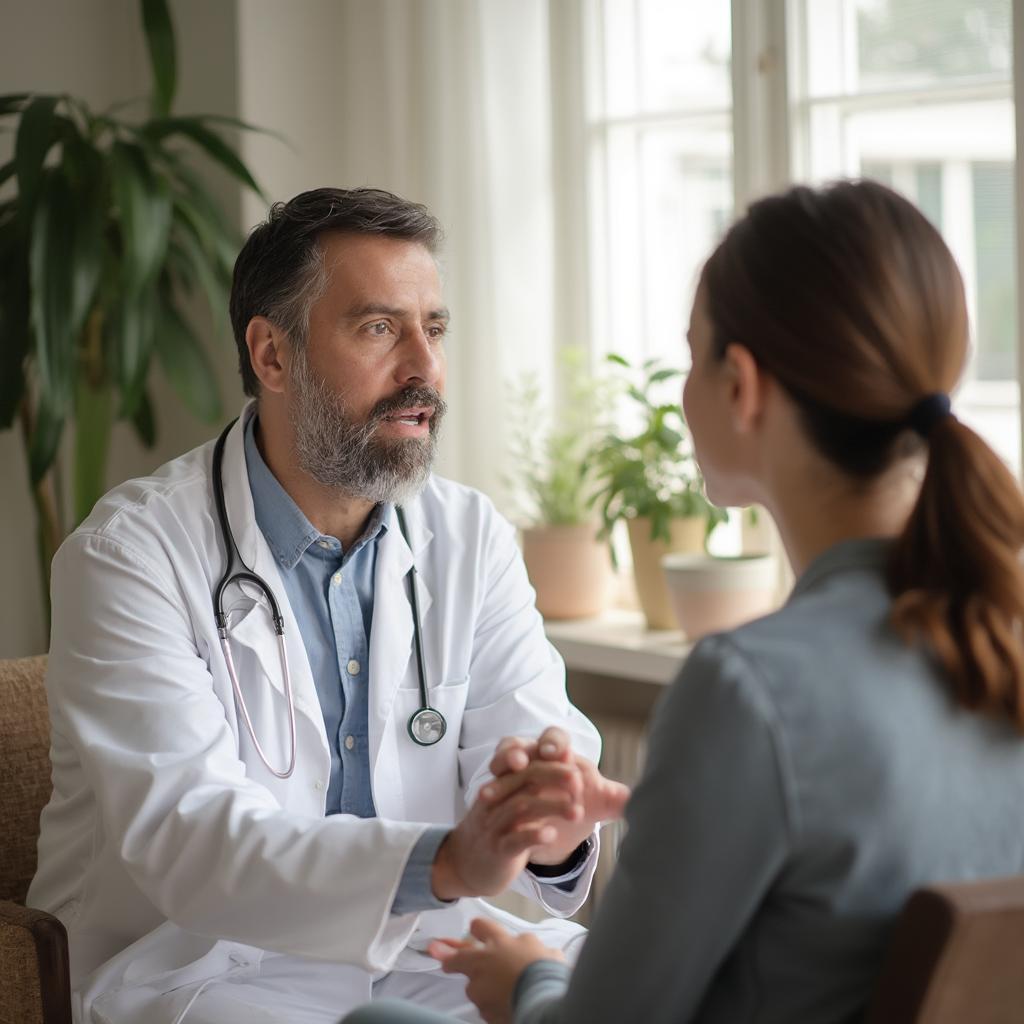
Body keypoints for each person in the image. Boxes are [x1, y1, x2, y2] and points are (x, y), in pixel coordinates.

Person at [343, 178, 1024, 1024]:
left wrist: (528, 980)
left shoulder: (753, 687)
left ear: (741, 384)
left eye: (691, 354)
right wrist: (668, 809)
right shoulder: (995, 630)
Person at [27, 187, 629, 1024]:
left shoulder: (468, 534)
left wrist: (548, 817)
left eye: (436, 328)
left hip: (426, 947)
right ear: (272, 356)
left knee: (653, 988)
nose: (424, 367)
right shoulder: (128, 556)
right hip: (201, 968)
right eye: (380, 328)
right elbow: (192, 842)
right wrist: (450, 862)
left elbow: (528, 748)